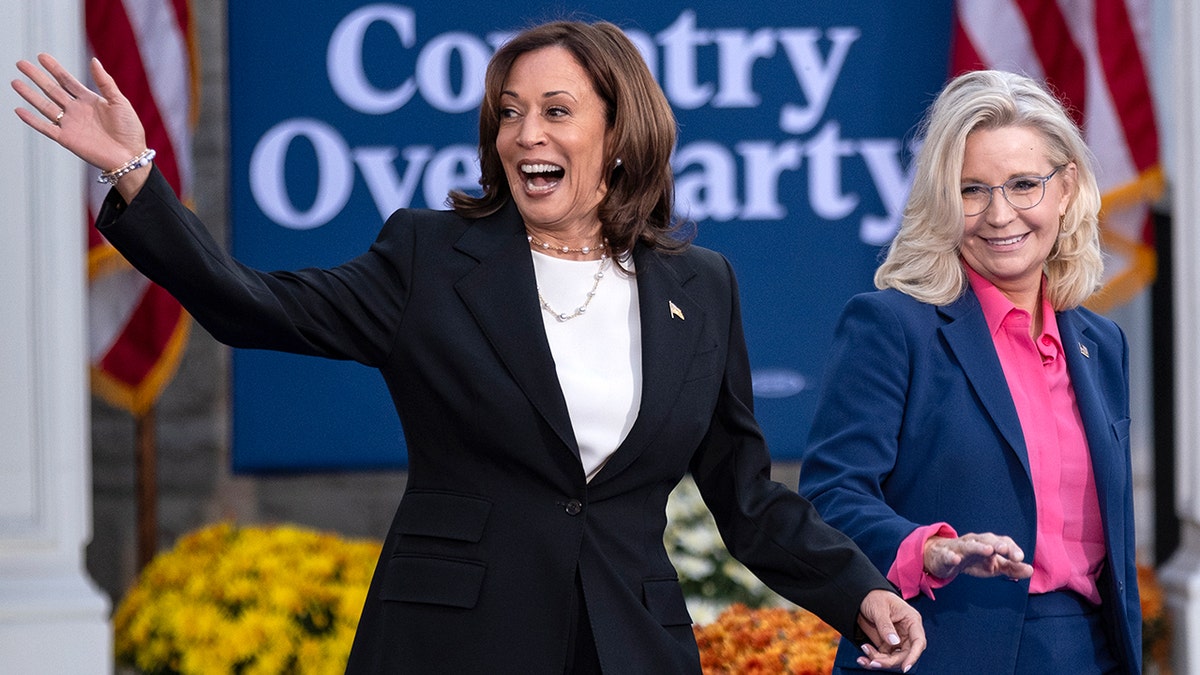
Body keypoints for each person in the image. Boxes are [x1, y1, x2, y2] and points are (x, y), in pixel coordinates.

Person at [14, 20, 925, 674]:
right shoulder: (430, 259)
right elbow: (250, 306)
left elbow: (748, 496)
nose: (526, 132)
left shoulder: (701, 285)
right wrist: (134, 175)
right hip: (456, 639)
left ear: (617, 134)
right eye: (509, 112)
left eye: (556, 110)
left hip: (630, 644)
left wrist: (859, 591)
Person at [796, 69, 1141, 673]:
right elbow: (831, 496)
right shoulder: (891, 326)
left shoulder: (1101, 343)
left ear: (1067, 190)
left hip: (1089, 652)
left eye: (1024, 185)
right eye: (972, 190)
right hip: (939, 648)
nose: (999, 214)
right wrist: (928, 549)